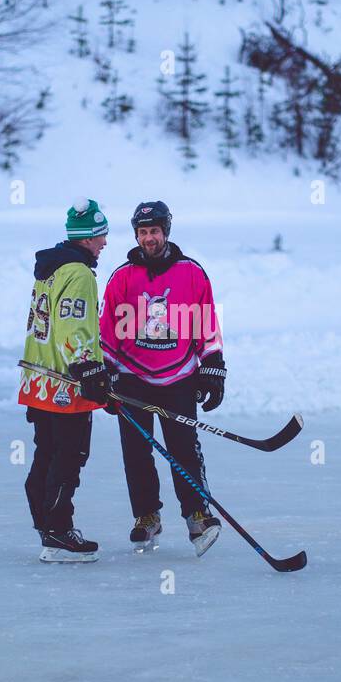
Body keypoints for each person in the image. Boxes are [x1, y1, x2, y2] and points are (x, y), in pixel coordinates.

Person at [99, 200, 225, 556]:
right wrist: (105, 373)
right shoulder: (122, 277)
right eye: (142, 232)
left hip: (179, 377)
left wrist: (212, 368)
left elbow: (207, 327)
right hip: (133, 378)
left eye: (154, 231)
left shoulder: (192, 272)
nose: (148, 238)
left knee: (184, 449)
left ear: (166, 231)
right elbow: (107, 331)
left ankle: (197, 514)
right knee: (136, 452)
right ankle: (146, 516)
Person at [19, 198, 113, 563]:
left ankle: (47, 525)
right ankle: (58, 531)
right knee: (69, 455)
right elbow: (72, 326)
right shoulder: (79, 273)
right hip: (64, 385)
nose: (105, 242)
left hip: (38, 381)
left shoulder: (51, 268)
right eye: (101, 235)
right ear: (88, 238)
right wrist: (89, 369)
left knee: (47, 452)